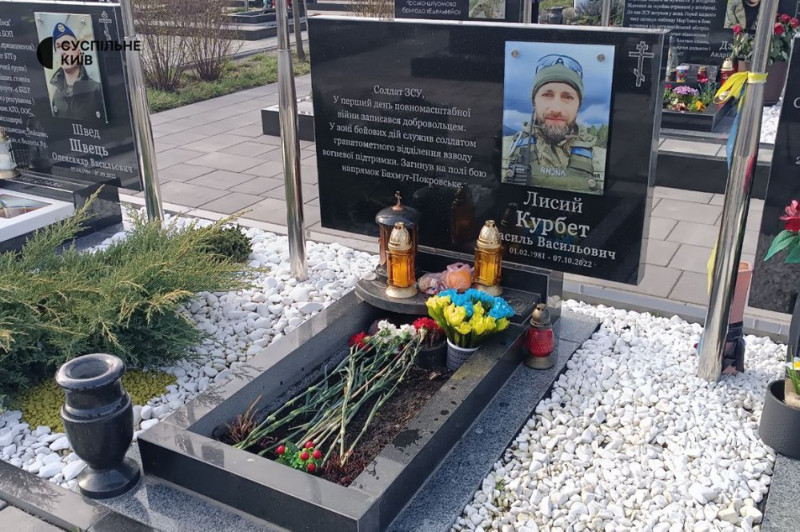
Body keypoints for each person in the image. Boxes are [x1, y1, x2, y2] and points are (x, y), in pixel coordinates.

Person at [503, 54, 606, 195]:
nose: (556, 109)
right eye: (547, 95)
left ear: (578, 106)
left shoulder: (602, 161)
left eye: (568, 97)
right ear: (534, 102)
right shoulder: (506, 151)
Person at [49, 22, 105, 122]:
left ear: (78, 52)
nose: (63, 52)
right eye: (58, 47)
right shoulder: (57, 96)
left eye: (67, 46)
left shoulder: (96, 90)